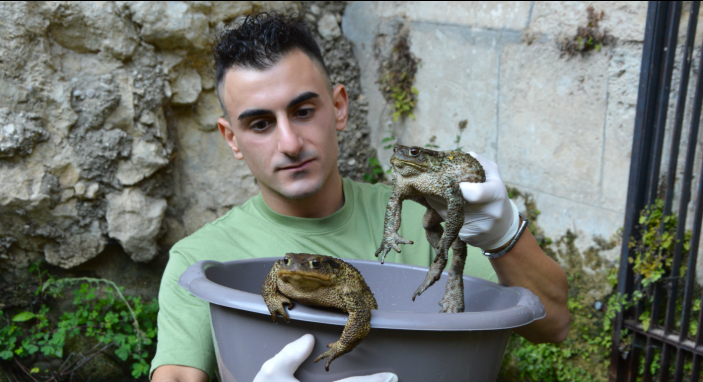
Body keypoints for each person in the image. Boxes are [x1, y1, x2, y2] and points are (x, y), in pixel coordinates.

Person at [150, 12, 570, 382]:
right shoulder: (202, 258)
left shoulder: (416, 220)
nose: (290, 142)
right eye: (260, 124)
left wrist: (503, 234)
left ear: (339, 107)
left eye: (303, 111)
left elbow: (553, 324)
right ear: (232, 139)